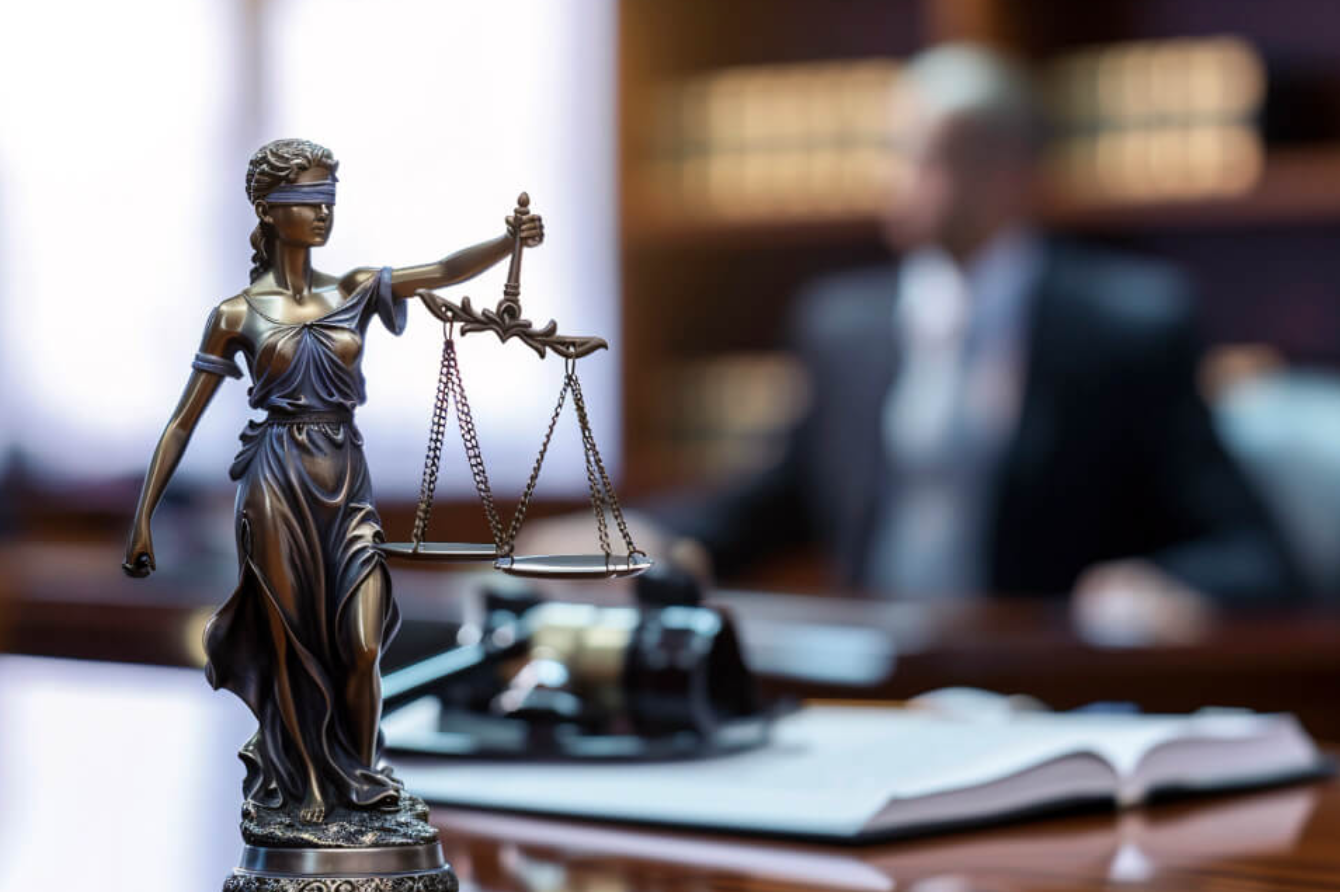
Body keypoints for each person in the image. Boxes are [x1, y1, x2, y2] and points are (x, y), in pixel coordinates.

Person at [622, 45, 1300, 624]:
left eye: (915, 156)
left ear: (1004, 174)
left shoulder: (1127, 326)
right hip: (880, 665)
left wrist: (1159, 588)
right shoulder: (843, 324)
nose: (888, 179)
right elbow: (780, 497)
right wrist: (644, 537)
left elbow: (1248, 553)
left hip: (1042, 675)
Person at [122, 138, 544, 822]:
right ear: (267, 209)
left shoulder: (350, 289)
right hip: (275, 482)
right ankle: (310, 786)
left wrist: (506, 241)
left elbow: (439, 270)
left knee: (364, 640)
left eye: (329, 201)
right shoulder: (235, 314)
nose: (322, 215)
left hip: (346, 481)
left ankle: (361, 773)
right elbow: (180, 423)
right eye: (307, 202)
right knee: (291, 640)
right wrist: (143, 520)